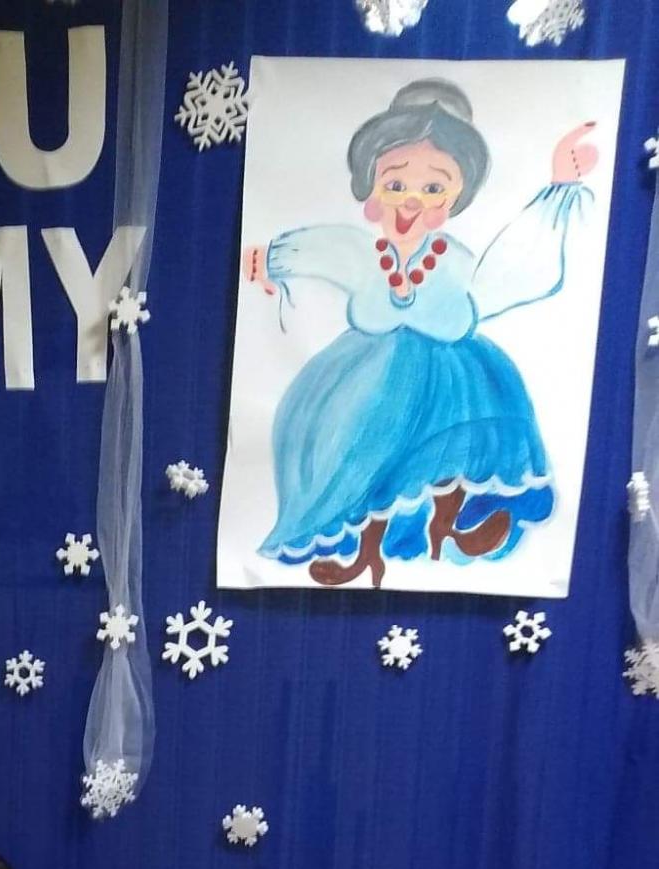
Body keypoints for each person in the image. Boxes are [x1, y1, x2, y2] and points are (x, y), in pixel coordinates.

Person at [242, 79, 599, 586]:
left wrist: (559, 187)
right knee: (355, 452)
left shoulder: (455, 260)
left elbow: (510, 271)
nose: (411, 201)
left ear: (455, 198)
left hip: (454, 377)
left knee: (455, 448)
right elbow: (322, 250)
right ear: (370, 192)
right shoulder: (360, 252)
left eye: (433, 188)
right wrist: (271, 260)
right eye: (395, 184)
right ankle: (364, 552)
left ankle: (448, 527)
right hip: (367, 379)